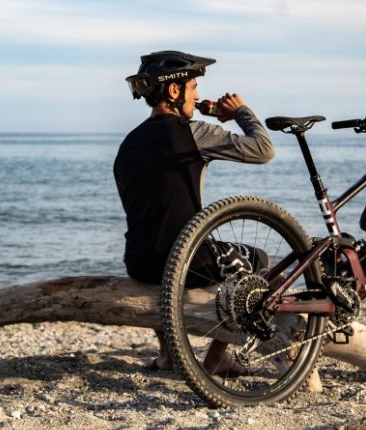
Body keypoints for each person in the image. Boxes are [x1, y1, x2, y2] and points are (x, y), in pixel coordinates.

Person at [113, 50, 275, 374]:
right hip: (189, 259)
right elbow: (263, 150)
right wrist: (240, 111)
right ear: (174, 91)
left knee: (162, 247)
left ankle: (168, 354)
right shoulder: (193, 132)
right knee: (260, 260)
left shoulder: (127, 145)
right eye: (193, 86)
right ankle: (217, 359)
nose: (198, 95)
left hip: (139, 261)